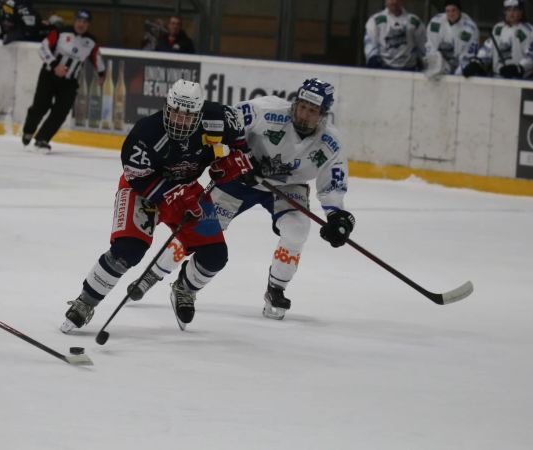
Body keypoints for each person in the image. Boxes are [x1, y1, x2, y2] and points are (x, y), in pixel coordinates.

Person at [127, 79, 354, 321]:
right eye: (302, 106)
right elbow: (227, 124)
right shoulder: (266, 111)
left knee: (298, 229)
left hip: (287, 187)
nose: (305, 114)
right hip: (239, 180)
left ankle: (274, 288)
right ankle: (153, 274)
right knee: (199, 227)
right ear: (296, 102)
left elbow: (333, 185)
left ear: (323, 115)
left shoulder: (331, 142)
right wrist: (237, 158)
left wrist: (337, 215)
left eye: (313, 111)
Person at [59, 79, 253, 333]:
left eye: (188, 116)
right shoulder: (145, 133)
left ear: (199, 113)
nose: (180, 121)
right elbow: (139, 179)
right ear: (166, 108)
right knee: (127, 251)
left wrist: (234, 163)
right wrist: (178, 198)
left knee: (215, 256)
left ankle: (184, 288)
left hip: (188, 189)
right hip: (144, 191)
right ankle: (86, 301)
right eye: (175, 113)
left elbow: (240, 147)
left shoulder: (219, 118)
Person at [22, 9, 104, 151]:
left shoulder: (91, 41)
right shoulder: (60, 32)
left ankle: (42, 139)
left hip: (70, 82)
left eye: (85, 22)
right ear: (74, 21)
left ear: (88, 25)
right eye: (79, 21)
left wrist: (102, 74)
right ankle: (28, 130)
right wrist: (55, 65)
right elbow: (43, 48)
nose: (81, 24)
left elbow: (96, 57)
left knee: (61, 112)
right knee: (40, 106)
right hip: (49, 76)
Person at [475, 0, 533, 79]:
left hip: (520, 79)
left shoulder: (529, 31)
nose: (511, 13)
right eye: (509, 10)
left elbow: (532, 56)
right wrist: (477, 63)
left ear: (521, 12)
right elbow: (487, 49)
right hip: (498, 78)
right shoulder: (498, 28)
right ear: (505, 12)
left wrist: (519, 68)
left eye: (515, 10)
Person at [363, 0, 426, 71]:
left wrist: (424, 64)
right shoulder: (375, 20)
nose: (394, 2)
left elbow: (423, 47)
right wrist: (373, 63)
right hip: (384, 69)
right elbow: (370, 46)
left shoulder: (414, 21)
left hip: (409, 70)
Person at [423, 0, 479, 78]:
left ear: (459, 11)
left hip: (458, 65)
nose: (451, 14)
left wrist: (458, 73)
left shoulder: (469, 28)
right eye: (448, 11)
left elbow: (467, 55)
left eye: (453, 10)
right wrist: (438, 66)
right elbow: (431, 47)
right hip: (440, 63)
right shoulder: (436, 22)